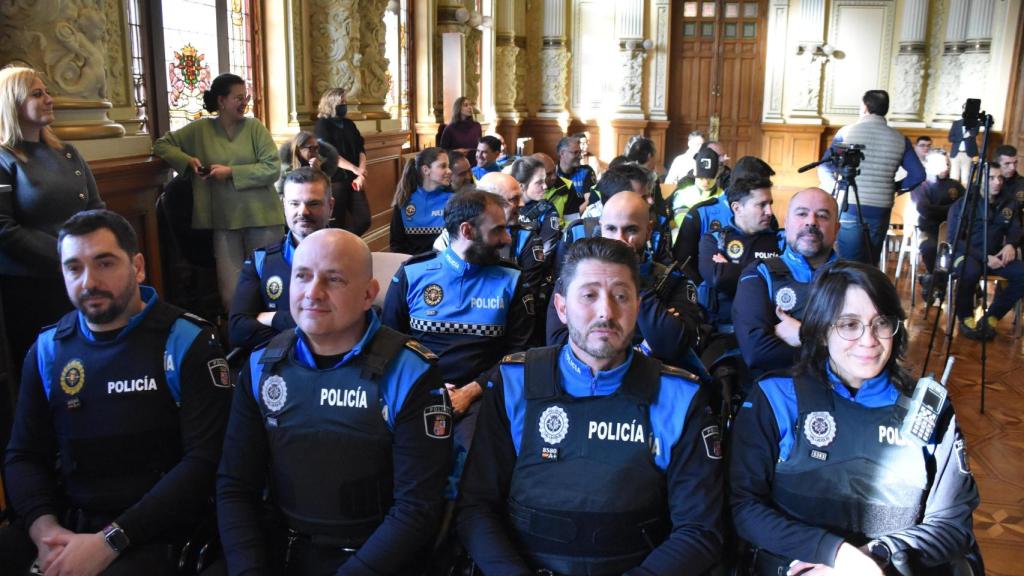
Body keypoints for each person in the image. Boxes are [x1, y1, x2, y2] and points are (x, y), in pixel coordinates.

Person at [457, 236, 724, 574]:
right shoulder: (515, 382)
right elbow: (476, 508)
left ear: (638, 308)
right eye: (589, 295)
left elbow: (700, 530)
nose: (606, 312)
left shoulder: (680, 397)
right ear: (562, 308)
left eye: (621, 296)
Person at [3, 209, 230, 575]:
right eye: (74, 268)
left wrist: (110, 541)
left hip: (158, 529)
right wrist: (45, 533)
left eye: (104, 263)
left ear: (137, 267)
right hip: (69, 521)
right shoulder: (48, 349)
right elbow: (23, 455)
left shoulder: (186, 341)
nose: (89, 281)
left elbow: (204, 461)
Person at [217, 228, 451, 575]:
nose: (313, 293)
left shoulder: (410, 373)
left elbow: (417, 508)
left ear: (368, 294)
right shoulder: (260, 366)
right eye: (302, 276)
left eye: (334, 279)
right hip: (282, 550)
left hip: (377, 558)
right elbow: (235, 485)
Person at [730, 260, 981, 575]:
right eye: (849, 324)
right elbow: (744, 507)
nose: (869, 340)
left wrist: (871, 556)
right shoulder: (777, 397)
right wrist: (832, 554)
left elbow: (952, 526)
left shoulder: (928, 409)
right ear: (821, 331)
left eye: (882, 323)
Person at [382, 190, 533, 448]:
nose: (507, 238)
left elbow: (521, 353)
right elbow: (388, 342)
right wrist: (430, 387)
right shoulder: (413, 273)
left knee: (470, 454)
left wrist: (470, 391)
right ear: (467, 231)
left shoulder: (513, 280)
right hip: (416, 390)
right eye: (497, 230)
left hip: (484, 394)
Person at [0, 67, 105, 394]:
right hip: (31, 287)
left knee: (88, 364)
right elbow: (4, 228)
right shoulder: (4, 159)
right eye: (37, 94)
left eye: (46, 92)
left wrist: (96, 255)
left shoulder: (69, 153)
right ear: (13, 104)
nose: (49, 99)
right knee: (46, 376)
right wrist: (67, 258)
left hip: (82, 278)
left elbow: (97, 208)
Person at [153, 72, 283, 310]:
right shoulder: (200, 129)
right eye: (238, 97)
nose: (244, 102)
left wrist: (231, 172)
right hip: (223, 221)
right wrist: (186, 160)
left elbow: (272, 168)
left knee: (269, 288)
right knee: (231, 293)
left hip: (262, 218)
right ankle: (239, 339)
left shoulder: (255, 127)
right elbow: (161, 144)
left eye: (246, 97)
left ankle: (273, 340)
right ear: (221, 101)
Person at [548, 191, 702, 369]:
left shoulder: (672, 280)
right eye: (611, 229)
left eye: (631, 230)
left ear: (648, 230)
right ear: (601, 227)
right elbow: (558, 345)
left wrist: (635, 278)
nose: (620, 240)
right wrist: (644, 348)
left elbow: (672, 347)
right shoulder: (574, 277)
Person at [733, 187, 839, 381]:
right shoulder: (759, 274)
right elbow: (756, 352)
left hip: (841, 394)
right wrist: (833, 347)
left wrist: (804, 335)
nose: (811, 221)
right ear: (786, 223)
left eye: (822, 216)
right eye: (802, 214)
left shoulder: (855, 278)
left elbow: (868, 349)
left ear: (836, 229)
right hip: (778, 393)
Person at [229, 167, 334, 354]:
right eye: (294, 203)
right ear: (283, 205)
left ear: (330, 206)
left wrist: (274, 318)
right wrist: (308, 335)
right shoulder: (261, 260)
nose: (303, 211)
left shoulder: (350, 259)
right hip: (275, 370)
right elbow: (238, 330)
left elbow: (348, 324)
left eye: (314, 203)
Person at [818, 90, 925, 265]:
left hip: (849, 205)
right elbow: (918, 175)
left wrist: (834, 188)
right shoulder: (899, 139)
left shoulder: (847, 132)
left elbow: (824, 165)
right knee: (869, 263)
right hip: (881, 208)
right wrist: (894, 187)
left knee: (848, 263)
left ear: (865, 107)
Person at [674, 155, 776, 284]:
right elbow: (683, 262)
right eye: (756, 183)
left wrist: (730, 269)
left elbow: (778, 275)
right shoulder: (700, 213)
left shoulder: (769, 220)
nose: (764, 187)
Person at [697, 175, 783, 329]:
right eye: (761, 205)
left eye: (770, 204)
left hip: (768, 330)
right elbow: (717, 278)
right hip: (722, 332)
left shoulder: (780, 241)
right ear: (737, 208)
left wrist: (730, 268)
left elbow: (781, 281)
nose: (769, 211)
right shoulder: (714, 239)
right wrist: (763, 271)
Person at [948, 170, 1023, 341]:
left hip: (996, 256)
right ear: (980, 180)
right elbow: (954, 239)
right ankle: (966, 318)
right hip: (968, 255)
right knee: (970, 271)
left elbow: (1016, 228)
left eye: (1000, 178)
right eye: (991, 178)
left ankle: (992, 317)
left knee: (1022, 273)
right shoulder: (964, 203)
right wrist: (985, 257)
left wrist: (1011, 243)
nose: (997, 182)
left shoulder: (1009, 202)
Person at [313, 88, 371, 235]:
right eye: (341, 102)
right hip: (335, 180)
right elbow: (330, 154)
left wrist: (360, 173)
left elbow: (360, 148)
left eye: (345, 102)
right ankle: (342, 249)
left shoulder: (349, 124)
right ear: (331, 103)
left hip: (354, 180)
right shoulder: (322, 125)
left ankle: (347, 243)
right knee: (336, 222)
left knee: (364, 219)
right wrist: (354, 169)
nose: (345, 105)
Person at [912, 150, 963, 299]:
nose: (946, 167)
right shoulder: (921, 186)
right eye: (942, 164)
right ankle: (934, 279)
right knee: (930, 248)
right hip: (929, 230)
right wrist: (952, 209)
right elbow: (925, 209)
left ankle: (932, 281)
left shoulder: (956, 186)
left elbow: (965, 206)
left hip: (953, 231)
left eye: (947, 163)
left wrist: (945, 210)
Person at [388, 147, 453, 255]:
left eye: (448, 166)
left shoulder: (453, 199)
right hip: (412, 266)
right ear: (426, 170)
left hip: (444, 265)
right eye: (443, 166)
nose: (449, 171)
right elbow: (396, 244)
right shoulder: (404, 201)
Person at [547, 134, 598, 222]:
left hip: (581, 221)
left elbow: (590, 201)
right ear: (562, 153)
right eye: (575, 153)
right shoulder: (551, 175)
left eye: (580, 152)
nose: (580, 156)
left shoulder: (586, 171)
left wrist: (572, 217)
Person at [671, 147, 722, 234]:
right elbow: (678, 225)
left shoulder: (723, 196)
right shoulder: (682, 196)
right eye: (701, 177)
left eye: (710, 177)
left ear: (717, 174)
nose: (706, 182)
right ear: (694, 172)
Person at [947, 118, 979, 187]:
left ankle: (964, 195)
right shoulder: (956, 123)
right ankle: (953, 195)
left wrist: (969, 129)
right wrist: (962, 137)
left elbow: (974, 133)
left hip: (967, 154)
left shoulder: (975, 122)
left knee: (966, 177)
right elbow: (950, 138)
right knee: (954, 176)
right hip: (956, 153)